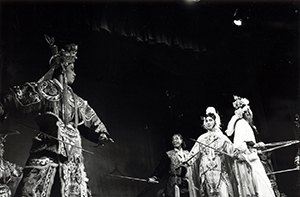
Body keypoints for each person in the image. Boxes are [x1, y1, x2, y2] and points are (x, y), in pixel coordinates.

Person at [0, 36, 113, 197]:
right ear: (62, 68)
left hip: (72, 163)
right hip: (46, 156)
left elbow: (89, 115)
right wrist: (4, 104)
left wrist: (101, 133)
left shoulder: (76, 100)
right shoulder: (45, 89)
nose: (74, 73)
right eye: (72, 68)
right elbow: (19, 97)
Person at [225, 95, 275, 197]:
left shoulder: (246, 124)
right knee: (259, 185)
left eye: (249, 111)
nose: (249, 113)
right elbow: (240, 143)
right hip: (249, 159)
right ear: (244, 113)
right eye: (247, 112)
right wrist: (253, 146)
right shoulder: (241, 123)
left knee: (263, 184)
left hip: (253, 157)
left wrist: (257, 146)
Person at [188, 107, 240, 197]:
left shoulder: (221, 137)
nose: (208, 123)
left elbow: (232, 150)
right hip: (206, 172)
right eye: (206, 121)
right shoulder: (202, 138)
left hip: (220, 171)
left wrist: (238, 152)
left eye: (211, 120)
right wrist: (187, 161)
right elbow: (193, 154)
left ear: (215, 121)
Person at [0, 132, 23, 197]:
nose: (2, 150)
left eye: (2, 148)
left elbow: (18, 172)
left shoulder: (6, 164)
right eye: (0, 148)